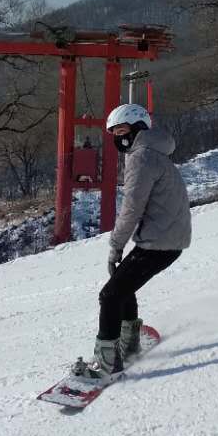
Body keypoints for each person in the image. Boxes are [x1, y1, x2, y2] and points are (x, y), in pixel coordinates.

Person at [74, 102, 192, 378]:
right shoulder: (155, 153)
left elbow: (131, 208)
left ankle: (106, 364)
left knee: (110, 295)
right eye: (114, 132)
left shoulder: (141, 157)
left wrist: (116, 245)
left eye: (122, 130)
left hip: (159, 242)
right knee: (121, 286)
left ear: (139, 128)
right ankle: (128, 342)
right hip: (167, 239)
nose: (118, 137)